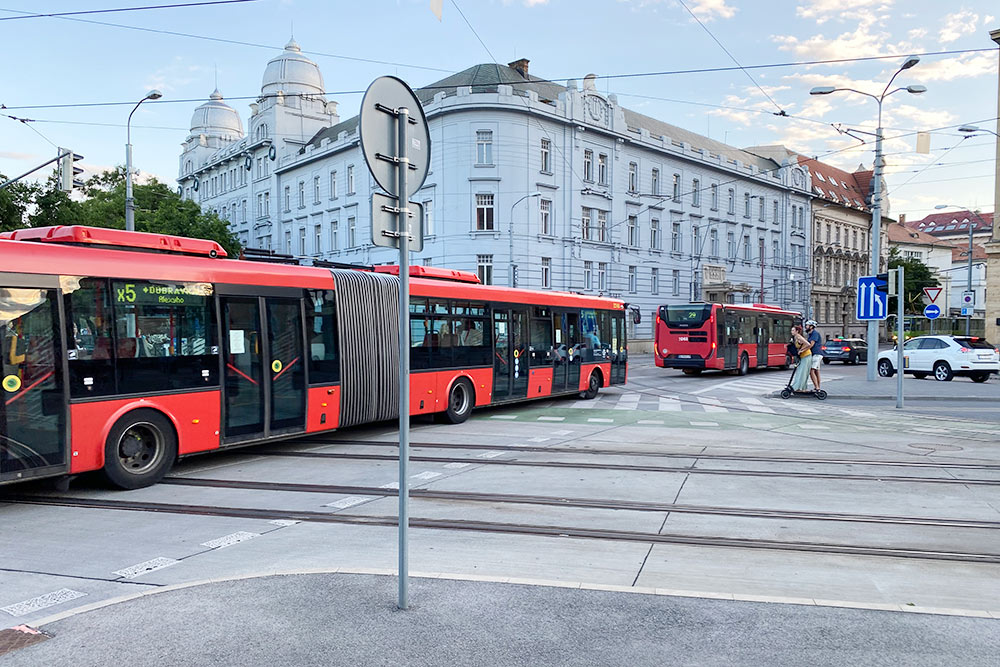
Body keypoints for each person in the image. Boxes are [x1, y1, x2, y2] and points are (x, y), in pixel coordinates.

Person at [790, 325, 812, 392]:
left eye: (793, 330)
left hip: (806, 356)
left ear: (797, 331)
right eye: (791, 330)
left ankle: (801, 388)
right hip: (803, 356)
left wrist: (801, 350)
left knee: (803, 372)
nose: (791, 332)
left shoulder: (799, 337)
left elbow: (808, 344)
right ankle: (799, 387)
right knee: (800, 372)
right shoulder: (796, 337)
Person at [804, 320, 823, 391]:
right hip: (816, 354)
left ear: (811, 327)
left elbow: (811, 344)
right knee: (816, 371)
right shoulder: (810, 334)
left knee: (811, 371)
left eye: (807, 325)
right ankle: (817, 387)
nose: (806, 327)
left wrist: (803, 350)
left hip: (816, 354)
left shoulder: (815, 333)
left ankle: (817, 387)